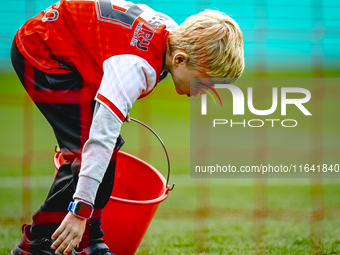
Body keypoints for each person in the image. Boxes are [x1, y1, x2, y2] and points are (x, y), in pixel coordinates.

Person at [10, 0, 244, 254]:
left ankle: (88, 238)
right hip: (42, 52)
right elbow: (99, 141)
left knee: (103, 144)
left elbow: (109, 43)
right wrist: (80, 210)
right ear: (180, 59)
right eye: (203, 83)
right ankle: (38, 242)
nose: (202, 93)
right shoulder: (135, 66)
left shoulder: (171, 35)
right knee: (87, 147)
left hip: (67, 48)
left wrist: (116, 102)